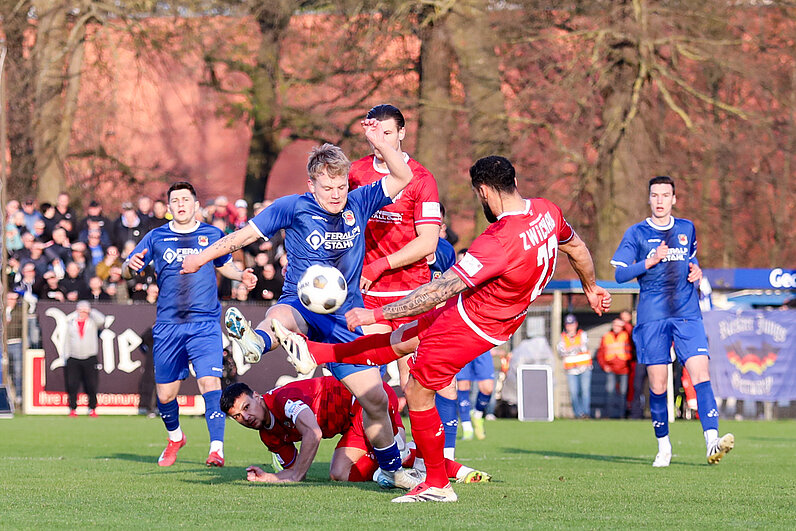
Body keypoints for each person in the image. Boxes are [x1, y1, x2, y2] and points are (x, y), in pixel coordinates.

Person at [271, 156, 612, 502]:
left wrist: (374, 313)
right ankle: (314, 352)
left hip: (474, 323)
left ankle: (436, 482)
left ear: (484, 191)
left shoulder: (496, 241)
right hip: (485, 312)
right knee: (399, 342)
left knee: (418, 389)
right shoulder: (547, 211)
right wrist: (591, 287)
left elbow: (438, 290)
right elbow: (577, 248)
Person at [180, 119, 419, 489]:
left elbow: (403, 175)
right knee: (281, 316)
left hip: (345, 321)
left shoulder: (360, 199)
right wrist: (201, 258)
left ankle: (393, 468)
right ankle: (254, 345)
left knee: (374, 400)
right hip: (302, 305)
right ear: (311, 185)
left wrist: (378, 142)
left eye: (340, 186)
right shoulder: (292, 207)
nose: (336, 194)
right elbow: (240, 237)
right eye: (327, 188)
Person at [122, 181, 256, 468]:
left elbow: (224, 264)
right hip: (169, 326)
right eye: (175, 200)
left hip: (205, 323)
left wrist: (241, 275)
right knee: (165, 395)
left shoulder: (212, 234)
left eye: (186, 199)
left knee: (210, 383)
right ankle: (175, 438)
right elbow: (126, 268)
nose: (181, 204)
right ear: (169, 207)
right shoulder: (156, 237)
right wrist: (128, 266)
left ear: (196, 205)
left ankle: (216, 449)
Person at [611, 175, 734, 467]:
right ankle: (664, 447)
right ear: (649, 198)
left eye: (665, 196)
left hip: (687, 313)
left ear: (674, 199)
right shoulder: (637, 233)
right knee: (658, 384)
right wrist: (648, 262)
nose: (660, 201)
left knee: (700, 374)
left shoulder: (686, 228)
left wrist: (697, 272)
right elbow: (619, 274)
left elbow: (692, 261)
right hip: (653, 317)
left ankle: (711, 442)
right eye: (655, 195)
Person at [220, 379, 490, 485]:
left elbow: (312, 433)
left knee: (395, 455)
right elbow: (292, 470)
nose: (246, 417)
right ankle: (392, 467)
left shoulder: (282, 400)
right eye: (238, 416)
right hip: (351, 423)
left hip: (369, 402)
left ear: (257, 396)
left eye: (246, 407)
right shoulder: (267, 435)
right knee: (339, 474)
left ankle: (456, 470)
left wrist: (294, 475)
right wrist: (270, 477)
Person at [62, 301, 105, 417]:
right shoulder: (71, 323)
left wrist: (91, 311)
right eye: (81, 310)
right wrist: (66, 356)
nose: (83, 313)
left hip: (89, 357)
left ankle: (92, 408)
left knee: (91, 384)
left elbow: (102, 319)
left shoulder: (92, 322)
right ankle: (72, 408)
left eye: (85, 311)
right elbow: (66, 341)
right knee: (72, 384)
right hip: (73, 357)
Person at [556, 314, 592, 419]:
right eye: (568, 324)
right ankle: (578, 414)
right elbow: (561, 351)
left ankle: (586, 413)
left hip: (584, 367)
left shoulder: (582, 335)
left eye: (572, 324)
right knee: (574, 393)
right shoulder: (562, 337)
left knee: (585, 391)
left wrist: (570, 348)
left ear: (576, 324)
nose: (570, 327)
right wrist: (575, 347)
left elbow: (583, 348)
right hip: (571, 370)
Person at [596, 318, 633, 418]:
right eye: (615, 325)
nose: (617, 327)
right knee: (610, 392)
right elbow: (601, 353)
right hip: (611, 369)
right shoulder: (607, 336)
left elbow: (631, 334)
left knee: (623, 393)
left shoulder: (626, 336)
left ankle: (622, 415)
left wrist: (625, 324)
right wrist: (604, 366)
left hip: (624, 368)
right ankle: (608, 415)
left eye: (619, 325)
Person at [457, 350, 495, 440]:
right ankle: (467, 427)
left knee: (487, 388)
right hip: (462, 346)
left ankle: (477, 415)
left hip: (482, 346)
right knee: (463, 385)